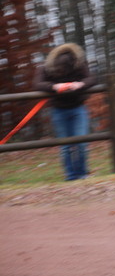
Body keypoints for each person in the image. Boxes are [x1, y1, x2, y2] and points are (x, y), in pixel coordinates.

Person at [33, 43, 97, 181]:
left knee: (81, 143)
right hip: (58, 110)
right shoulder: (47, 66)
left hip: (78, 108)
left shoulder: (79, 63)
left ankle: (82, 174)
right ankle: (71, 176)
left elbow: (91, 78)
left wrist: (81, 84)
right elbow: (37, 84)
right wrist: (54, 86)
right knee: (65, 146)